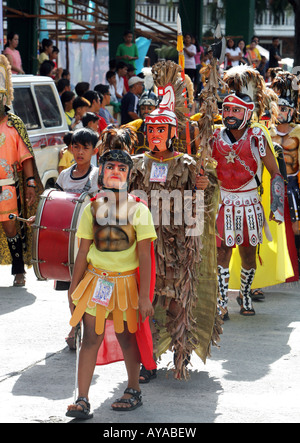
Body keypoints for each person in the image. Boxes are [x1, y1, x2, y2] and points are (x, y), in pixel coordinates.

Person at [129, 60, 220, 381]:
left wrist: (204, 188)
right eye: (150, 129)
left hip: (179, 244)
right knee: (146, 300)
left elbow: (205, 204)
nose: (154, 135)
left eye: (160, 130)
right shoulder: (137, 164)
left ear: (171, 133)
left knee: (176, 300)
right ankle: (147, 359)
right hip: (144, 244)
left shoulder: (187, 163)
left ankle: (180, 355)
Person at [66, 126, 157, 419]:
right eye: (109, 167)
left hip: (127, 286)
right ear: (101, 171)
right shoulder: (90, 210)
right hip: (95, 282)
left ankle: (134, 389)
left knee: (126, 337)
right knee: (89, 338)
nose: (115, 171)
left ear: (130, 174)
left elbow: (145, 256)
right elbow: (82, 251)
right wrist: (73, 286)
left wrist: (145, 297)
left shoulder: (140, 211)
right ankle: (81, 399)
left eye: (121, 167)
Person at [212, 65, 289, 319]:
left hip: (249, 202)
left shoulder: (257, 136)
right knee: (222, 252)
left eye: (236, 110)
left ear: (247, 113)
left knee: (247, 253)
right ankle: (222, 301)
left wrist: (276, 208)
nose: (230, 114)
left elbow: (275, 173)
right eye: (227, 109)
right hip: (224, 203)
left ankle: (245, 294)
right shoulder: (214, 137)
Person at [0, 54, 43, 286]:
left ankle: (18, 271)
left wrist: (30, 183)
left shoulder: (14, 123)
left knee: (11, 228)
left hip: (7, 187)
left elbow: (26, 157)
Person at [55, 128, 100, 349]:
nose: (80, 152)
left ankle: (82, 328)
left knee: (85, 284)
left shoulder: (97, 176)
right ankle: (74, 326)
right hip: (66, 241)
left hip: (88, 241)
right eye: (76, 147)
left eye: (85, 148)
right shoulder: (64, 176)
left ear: (94, 150)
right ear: (70, 148)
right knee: (71, 283)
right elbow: (53, 202)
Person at [270, 71, 300, 273]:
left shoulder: (298, 131)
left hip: (294, 184)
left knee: (297, 227)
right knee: (273, 226)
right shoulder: (266, 130)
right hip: (274, 184)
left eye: (285, 108)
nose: (281, 112)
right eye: (278, 108)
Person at [124, 89, 159, 154]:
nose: (146, 111)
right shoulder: (137, 124)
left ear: (156, 108)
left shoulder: (162, 126)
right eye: (143, 108)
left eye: (149, 108)